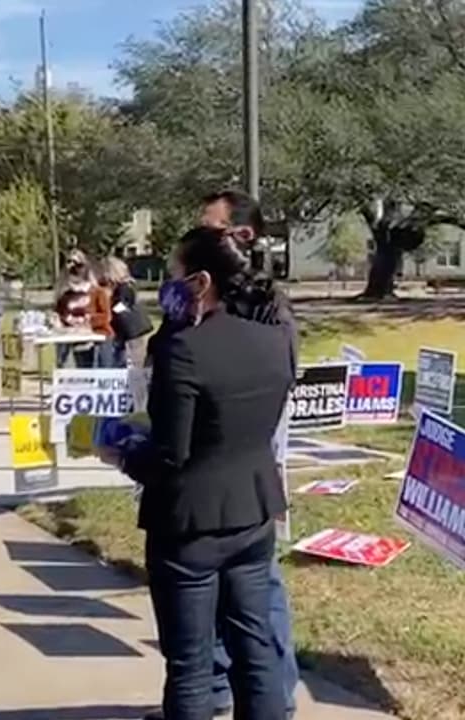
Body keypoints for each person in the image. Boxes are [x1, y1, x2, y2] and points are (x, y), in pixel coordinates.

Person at [117, 226, 294, 720]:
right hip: (253, 513)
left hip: (188, 526)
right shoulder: (274, 340)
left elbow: (172, 450)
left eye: (172, 274)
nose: (165, 285)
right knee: (255, 648)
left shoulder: (184, 350)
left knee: (192, 664)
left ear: (199, 281)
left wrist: (125, 454)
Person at [190, 189, 301, 720]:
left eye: (209, 229)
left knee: (261, 593)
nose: (199, 238)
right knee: (205, 599)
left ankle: (275, 695)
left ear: (243, 236)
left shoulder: (266, 304)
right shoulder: (191, 296)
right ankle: (212, 688)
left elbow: (278, 379)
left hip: (249, 467)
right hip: (197, 473)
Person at [102, 256, 152, 369]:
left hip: (133, 332)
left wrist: (111, 308)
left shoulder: (125, 287)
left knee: (134, 363)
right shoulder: (126, 286)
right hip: (130, 331)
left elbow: (122, 305)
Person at [54, 249, 98, 368]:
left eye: (77, 263)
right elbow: (58, 309)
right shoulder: (63, 287)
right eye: (69, 262)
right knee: (64, 366)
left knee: (84, 366)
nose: (72, 266)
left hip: (85, 334)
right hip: (65, 334)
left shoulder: (92, 288)